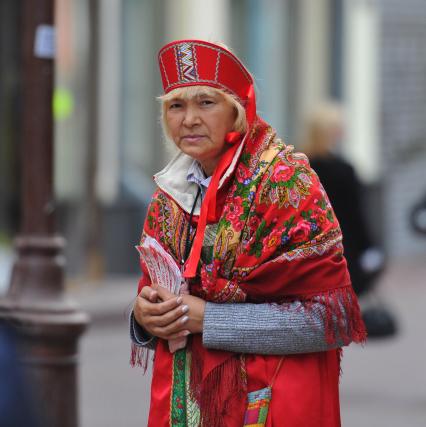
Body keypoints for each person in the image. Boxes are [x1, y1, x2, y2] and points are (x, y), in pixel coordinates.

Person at [130, 40, 366, 427]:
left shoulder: (286, 182)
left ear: (237, 111)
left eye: (205, 102)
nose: (188, 119)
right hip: (188, 406)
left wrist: (209, 319)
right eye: (176, 105)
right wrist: (144, 317)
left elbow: (328, 322)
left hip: (271, 402)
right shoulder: (169, 194)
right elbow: (155, 296)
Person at [301, 101, 396, 337]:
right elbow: (356, 215)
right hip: (343, 246)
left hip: (307, 244)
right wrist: (369, 247)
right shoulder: (343, 169)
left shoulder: (298, 164)